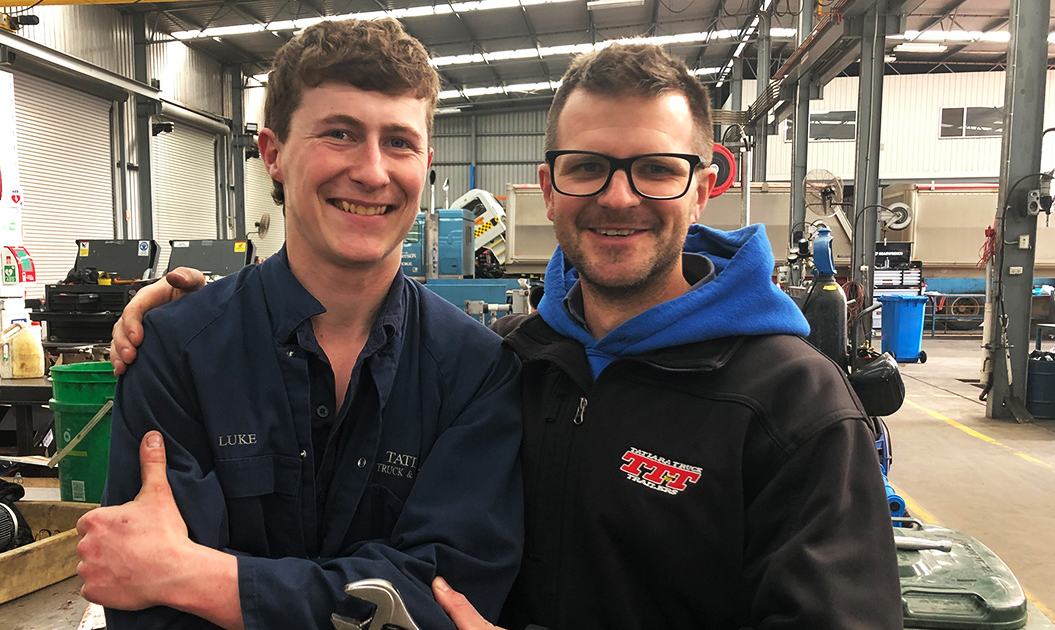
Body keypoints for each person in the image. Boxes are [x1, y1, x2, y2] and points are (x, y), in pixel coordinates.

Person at [111, 43, 902, 630]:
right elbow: (139, 592)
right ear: (549, 185)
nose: (619, 197)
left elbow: (439, 587)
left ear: (706, 181)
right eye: (588, 166)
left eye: (656, 169)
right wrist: (193, 305)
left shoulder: (793, 407)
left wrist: (203, 579)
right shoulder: (526, 363)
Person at [79, 18, 524, 630]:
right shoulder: (177, 352)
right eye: (339, 134)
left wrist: (200, 577)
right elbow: (147, 603)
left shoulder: (477, 371)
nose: (373, 172)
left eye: (399, 142)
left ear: (426, 161)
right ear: (273, 155)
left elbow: (448, 600)